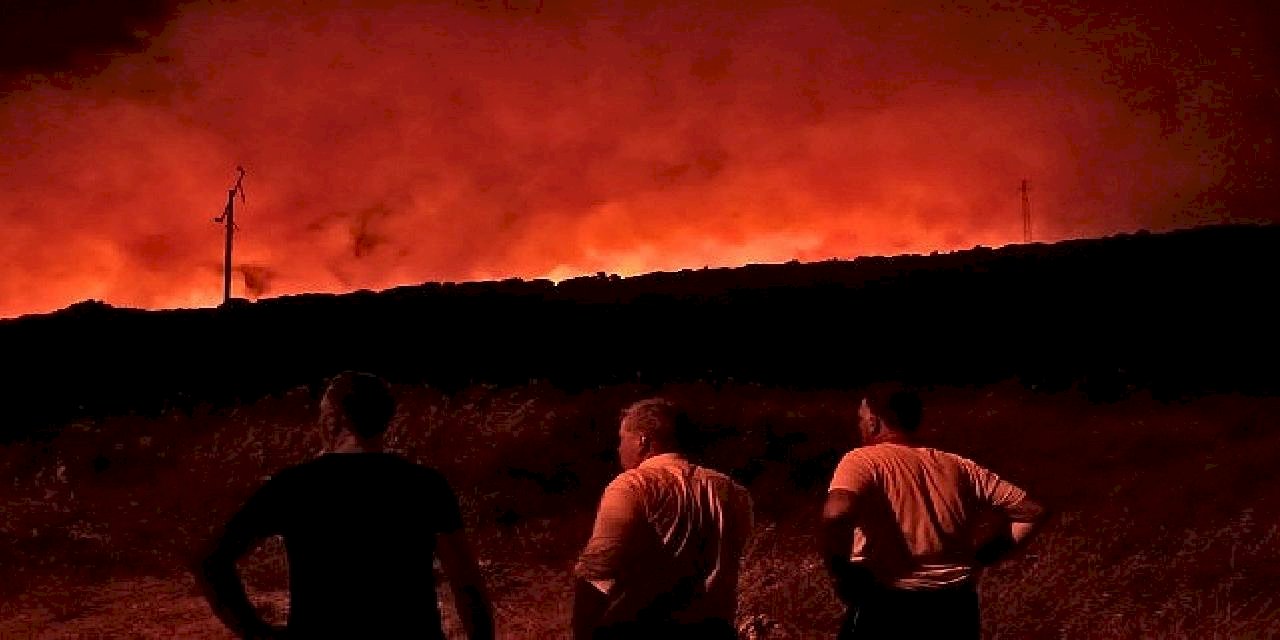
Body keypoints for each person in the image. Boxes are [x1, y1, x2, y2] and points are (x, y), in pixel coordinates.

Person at [195, 371, 495, 639]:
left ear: (332, 420)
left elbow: (210, 560)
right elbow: (466, 582)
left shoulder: (294, 486)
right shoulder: (425, 485)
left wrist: (255, 631)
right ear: (384, 419)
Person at [822, 384, 1047, 639]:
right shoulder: (959, 465)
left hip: (889, 602)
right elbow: (1032, 511)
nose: (860, 426)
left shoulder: (863, 460)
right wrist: (983, 556)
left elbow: (836, 513)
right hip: (955, 606)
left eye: (861, 419)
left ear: (873, 422)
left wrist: (843, 572)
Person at [573, 398, 755, 640]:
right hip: (713, 629)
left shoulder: (632, 486)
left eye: (621, 439)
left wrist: (584, 629)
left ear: (642, 441)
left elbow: (598, 570)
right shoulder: (734, 492)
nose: (618, 448)